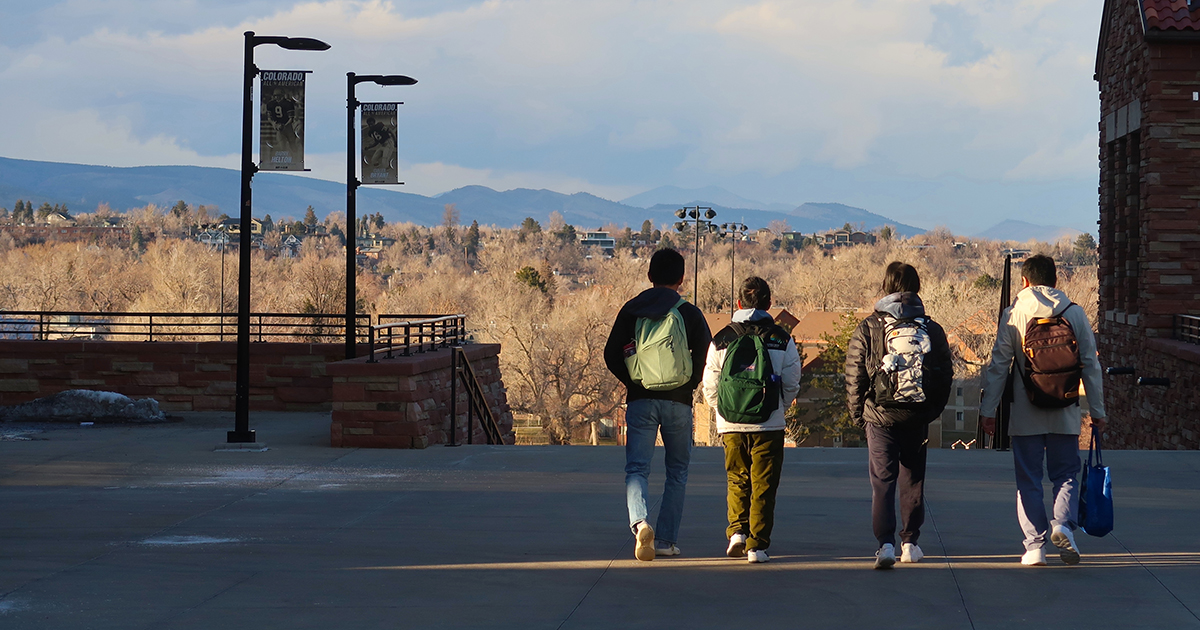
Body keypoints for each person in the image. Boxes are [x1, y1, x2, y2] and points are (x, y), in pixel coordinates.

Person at [979, 254, 1106, 567]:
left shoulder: (1015, 314)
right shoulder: (1074, 314)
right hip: (1065, 407)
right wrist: (1098, 409)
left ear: (1024, 281)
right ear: (1055, 280)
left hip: (1026, 410)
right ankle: (1063, 525)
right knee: (1066, 474)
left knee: (1029, 478)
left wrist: (988, 410)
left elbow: (998, 367)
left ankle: (1035, 546)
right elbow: (1090, 364)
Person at [604, 248, 711, 561]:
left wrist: (634, 379)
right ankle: (665, 541)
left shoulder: (631, 310)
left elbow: (611, 354)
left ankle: (640, 523)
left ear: (649, 276)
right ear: (681, 279)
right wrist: (688, 384)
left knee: (637, 468)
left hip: (641, 400)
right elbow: (707, 355)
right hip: (679, 402)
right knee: (677, 471)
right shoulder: (688, 312)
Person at [846, 262, 954, 569]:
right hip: (917, 415)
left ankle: (886, 545)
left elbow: (855, 375)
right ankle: (911, 542)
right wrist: (933, 410)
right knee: (913, 479)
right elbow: (945, 373)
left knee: (883, 481)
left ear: (886, 287)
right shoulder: (930, 329)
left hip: (880, 416)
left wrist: (858, 414)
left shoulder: (869, 327)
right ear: (916, 288)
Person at [701, 277, 801, 564]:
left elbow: (710, 382)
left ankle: (736, 533)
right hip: (769, 423)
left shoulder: (722, 337)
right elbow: (792, 379)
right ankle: (757, 545)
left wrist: (723, 410)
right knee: (764, 483)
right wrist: (777, 408)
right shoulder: (781, 338)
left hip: (731, 423)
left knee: (737, 478)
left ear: (738, 303)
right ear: (769, 303)